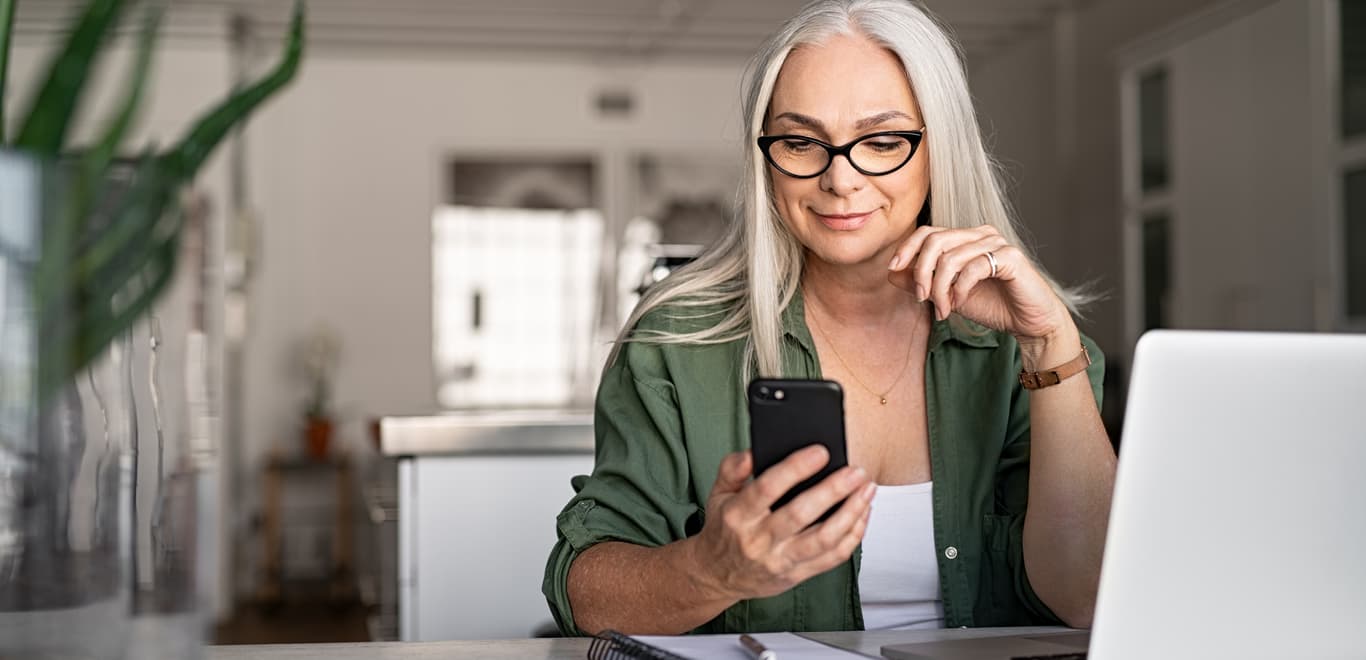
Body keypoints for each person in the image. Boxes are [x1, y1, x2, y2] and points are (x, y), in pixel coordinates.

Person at [543, 0, 1116, 636]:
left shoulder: (1031, 349)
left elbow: (1089, 598)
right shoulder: (676, 341)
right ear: (766, 159)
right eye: (800, 141)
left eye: (882, 141)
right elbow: (586, 598)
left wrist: (1049, 343)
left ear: (939, 148)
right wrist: (712, 570)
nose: (839, 178)